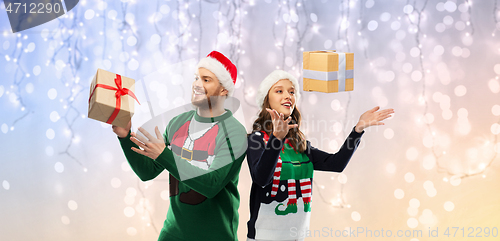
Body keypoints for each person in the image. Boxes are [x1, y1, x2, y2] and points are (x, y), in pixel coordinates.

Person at [112, 51, 247, 241]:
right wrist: (125, 137)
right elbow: (147, 172)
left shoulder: (234, 132)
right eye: (196, 78)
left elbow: (212, 185)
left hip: (214, 236)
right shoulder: (178, 123)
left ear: (224, 90)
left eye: (206, 80)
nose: (197, 84)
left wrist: (165, 155)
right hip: (172, 234)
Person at [246, 70, 394, 241]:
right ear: (266, 100)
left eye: (292, 91)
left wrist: (357, 130)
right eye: (279, 91)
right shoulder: (257, 140)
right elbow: (261, 179)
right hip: (264, 237)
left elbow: (336, 164)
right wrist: (276, 139)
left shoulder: (298, 144)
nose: (288, 96)